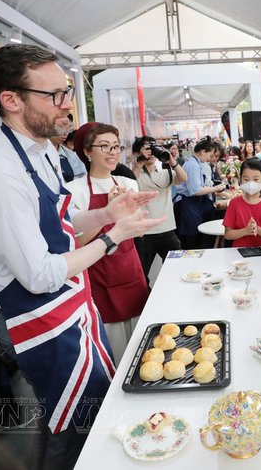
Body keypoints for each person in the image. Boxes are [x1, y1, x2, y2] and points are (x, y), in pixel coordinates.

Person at [0, 44, 163, 469]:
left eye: (67, 91)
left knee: (84, 415)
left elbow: (61, 215)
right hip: (38, 315)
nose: (67, 104)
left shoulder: (45, 151)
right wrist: (112, 238)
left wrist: (109, 212)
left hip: (71, 304)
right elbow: (39, 274)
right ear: (11, 100)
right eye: (54, 95)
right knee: (71, 424)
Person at [66, 122, 148, 361]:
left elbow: (139, 233)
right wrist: (107, 212)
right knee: (112, 349)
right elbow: (78, 243)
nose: (113, 152)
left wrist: (130, 215)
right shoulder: (73, 190)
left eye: (116, 146)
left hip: (131, 271)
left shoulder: (129, 184)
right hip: (98, 275)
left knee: (141, 347)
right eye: (105, 146)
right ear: (87, 152)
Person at [137, 138, 188, 279]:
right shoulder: (135, 172)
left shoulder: (164, 170)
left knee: (177, 270)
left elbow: (183, 178)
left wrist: (172, 162)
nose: (151, 152)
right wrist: (140, 162)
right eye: (147, 148)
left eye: (154, 148)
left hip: (167, 229)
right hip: (145, 232)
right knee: (142, 274)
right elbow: (131, 181)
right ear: (137, 152)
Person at [177, 136, 225, 248]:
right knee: (191, 238)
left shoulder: (196, 164)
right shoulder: (192, 165)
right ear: (203, 152)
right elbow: (195, 190)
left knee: (196, 235)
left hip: (193, 203)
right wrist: (216, 189)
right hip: (188, 203)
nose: (209, 158)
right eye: (210, 154)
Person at [223, 157, 261, 247]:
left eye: (255, 179)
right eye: (246, 179)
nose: (250, 183)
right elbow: (228, 234)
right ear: (240, 179)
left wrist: (257, 229)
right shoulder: (234, 203)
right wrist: (246, 230)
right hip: (239, 252)